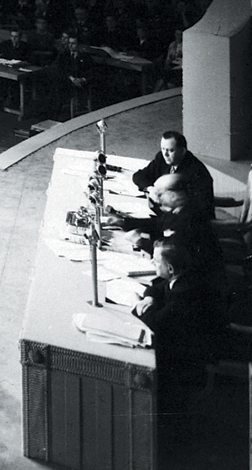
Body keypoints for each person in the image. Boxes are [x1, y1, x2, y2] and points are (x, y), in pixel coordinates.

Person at [132, 240, 224, 438]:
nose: (153, 265)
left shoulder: (184, 293)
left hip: (193, 354)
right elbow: (157, 286)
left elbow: (156, 322)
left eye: (156, 262)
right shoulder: (181, 278)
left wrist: (138, 306)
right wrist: (148, 298)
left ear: (170, 268)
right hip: (187, 337)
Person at [131, 130, 214, 221]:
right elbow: (139, 175)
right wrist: (151, 189)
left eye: (171, 150)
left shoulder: (197, 171)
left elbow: (198, 207)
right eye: (163, 149)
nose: (165, 154)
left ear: (182, 151)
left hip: (188, 222)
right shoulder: (162, 158)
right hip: (164, 215)